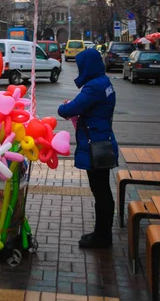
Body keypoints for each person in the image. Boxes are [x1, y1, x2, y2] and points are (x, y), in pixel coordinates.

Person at [57, 48, 118, 249]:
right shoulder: (104, 82)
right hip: (103, 140)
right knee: (102, 190)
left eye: (80, 66)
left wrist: (65, 106)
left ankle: (103, 237)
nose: (78, 70)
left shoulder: (93, 87)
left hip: (96, 145)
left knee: (100, 191)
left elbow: (69, 109)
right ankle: (101, 233)